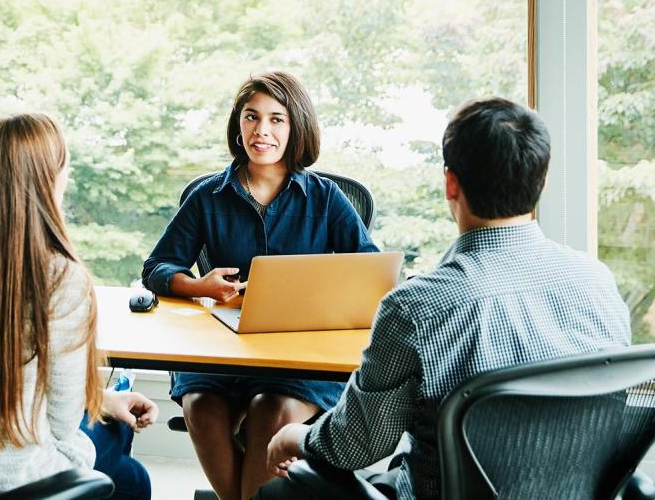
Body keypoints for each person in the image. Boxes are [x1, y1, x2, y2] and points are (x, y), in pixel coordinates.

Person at [255, 98, 632, 500]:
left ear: (450, 183)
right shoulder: (597, 281)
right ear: (542, 180)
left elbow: (358, 446)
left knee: (279, 493)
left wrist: (296, 436)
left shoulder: (416, 306)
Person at [141, 70, 378, 500]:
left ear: (296, 127)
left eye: (276, 119)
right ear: (238, 125)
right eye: (251, 117)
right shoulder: (208, 196)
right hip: (221, 350)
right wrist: (199, 286)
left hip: (299, 356)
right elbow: (157, 267)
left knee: (270, 408)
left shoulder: (327, 199)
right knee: (201, 407)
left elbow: (371, 276)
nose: (261, 130)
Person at [0, 113, 156, 499]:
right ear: (49, 180)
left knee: (116, 440)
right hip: (8, 479)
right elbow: (61, 425)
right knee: (131, 475)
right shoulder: (60, 278)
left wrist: (103, 400)